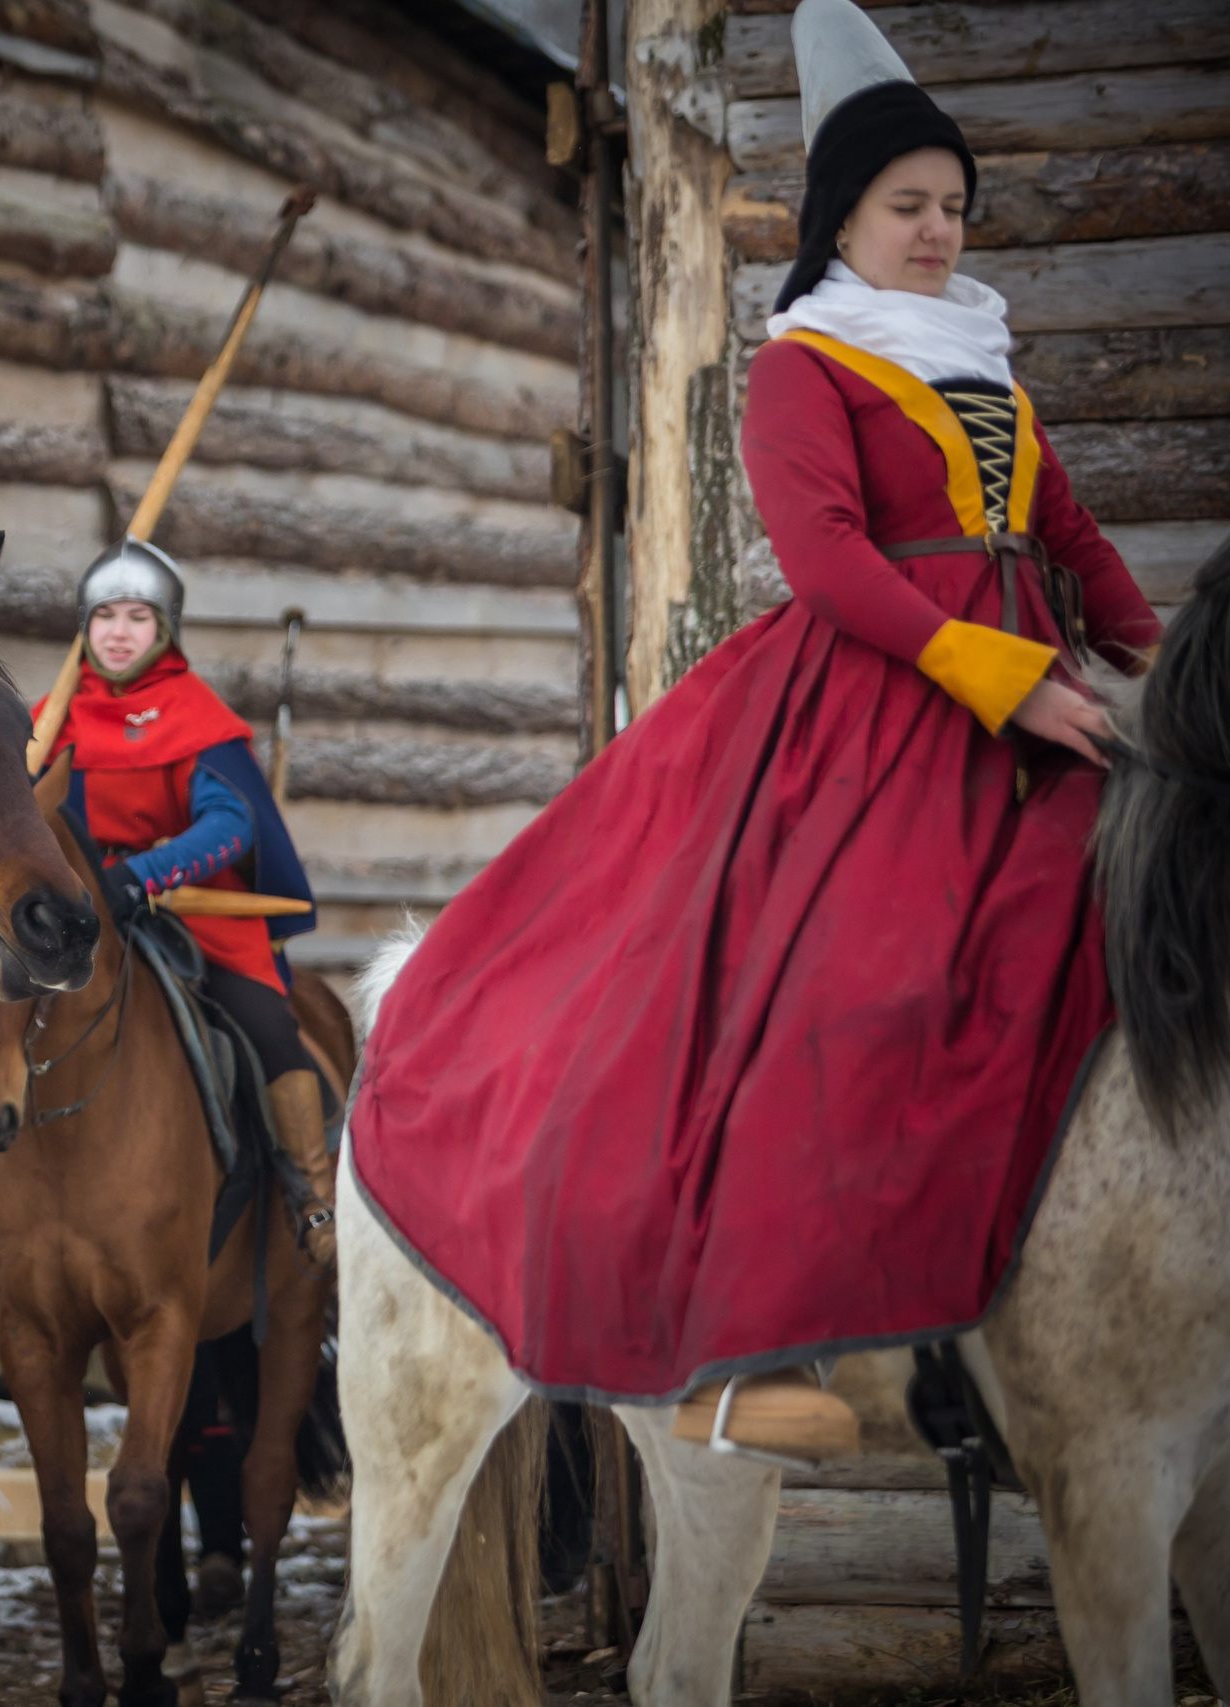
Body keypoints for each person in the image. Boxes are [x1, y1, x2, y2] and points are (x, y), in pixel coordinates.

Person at [348, 0, 1161, 1456]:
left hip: (1045, 715)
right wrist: (1006, 677)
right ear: (843, 216)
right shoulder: (806, 364)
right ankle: (780, 1356)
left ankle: (1056, 1312)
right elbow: (830, 562)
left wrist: (1170, 672)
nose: (938, 232)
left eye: (955, 207)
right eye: (909, 205)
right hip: (876, 720)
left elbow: (1072, 538)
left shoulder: (986, 360)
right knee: (866, 982)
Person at [35, 539, 331, 1264]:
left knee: (269, 1028)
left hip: (191, 912)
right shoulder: (51, 717)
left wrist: (143, 876)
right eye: (105, 615)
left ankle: (312, 1198)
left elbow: (231, 824)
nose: (118, 631)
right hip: (81, 915)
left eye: (138, 616)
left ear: (164, 629)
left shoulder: (196, 715)